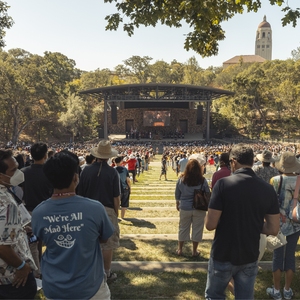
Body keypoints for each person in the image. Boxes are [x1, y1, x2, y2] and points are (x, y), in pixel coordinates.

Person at [32, 151, 114, 300]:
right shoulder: (95, 208)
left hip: (54, 288)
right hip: (91, 288)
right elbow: (104, 239)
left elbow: (39, 240)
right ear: (76, 178)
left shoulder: (39, 212)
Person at [205, 143, 280, 299]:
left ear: (233, 161)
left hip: (223, 252)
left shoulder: (223, 185)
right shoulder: (267, 189)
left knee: (215, 296)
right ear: (252, 162)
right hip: (249, 252)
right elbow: (273, 228)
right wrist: (252, 223)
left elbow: (210, 225)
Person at [77, 140, 121, 281]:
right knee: (108, 244)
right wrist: (116, 211)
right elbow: (116, 196)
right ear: (108, 156)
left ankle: (90, 272)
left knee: (90, 241)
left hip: (87, 209)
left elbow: (80, 193)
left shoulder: (86, 170)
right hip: (107, 209)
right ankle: (106, 273)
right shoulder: (113, 172)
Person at [0, 149, 37, 299]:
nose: (19, 173)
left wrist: (19, 230)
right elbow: (2, 246)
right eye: (13, 170)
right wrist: (22, 266)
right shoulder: (6, 202)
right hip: (14, 279)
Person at [266, 151, 300, 300]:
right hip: (296, 224)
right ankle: (287, 289)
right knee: (290, 256)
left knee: (277, 256)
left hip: (277, 223)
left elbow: (269, 202)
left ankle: (276, 289)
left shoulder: (275, 180)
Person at [21, 142, 53, 278]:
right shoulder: (51, 172)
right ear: (45, 155)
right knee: (51, 242)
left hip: (29, 212)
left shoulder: (23, 173)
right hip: (48, 211)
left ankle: (36, 272)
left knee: (33, 243)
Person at [175, 153, 210, 257]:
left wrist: (177, 203)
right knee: (197, 229)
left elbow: (177, 193)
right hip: (199, 207)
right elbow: (207, 193)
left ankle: (180, 249)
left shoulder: (181, 179)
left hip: (185, 206)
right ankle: (194, 251)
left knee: (183, 228)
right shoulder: (202, 180)